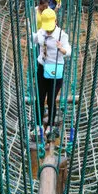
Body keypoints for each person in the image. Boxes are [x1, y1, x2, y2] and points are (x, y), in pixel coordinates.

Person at [33, 8, 71, 139]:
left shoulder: (62, 35)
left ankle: (50, 125)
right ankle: (38, 126)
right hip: (42, 68)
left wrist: (62, 49)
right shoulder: (41, 32)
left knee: (51, 99)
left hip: (56, 70)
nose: (48, 30)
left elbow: (69, 51)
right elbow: (34, 39)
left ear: (55, 21)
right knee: (39, 98)